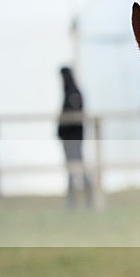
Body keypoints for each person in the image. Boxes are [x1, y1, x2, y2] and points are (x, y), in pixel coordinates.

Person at [57, 66, 93, 208]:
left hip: (73, 138)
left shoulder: (73, 93)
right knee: (73, 169)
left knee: (78, 168)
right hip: (69, 138)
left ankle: (86, 199)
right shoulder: (69, 93)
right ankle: (73, 202)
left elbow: (74, 115)